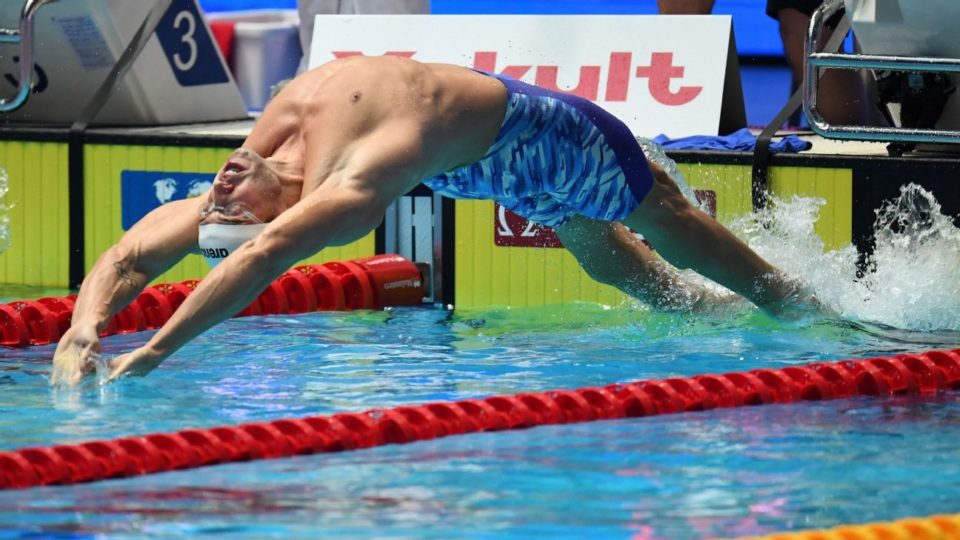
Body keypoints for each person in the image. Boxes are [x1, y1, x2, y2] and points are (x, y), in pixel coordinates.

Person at [51, 55, 814, 387]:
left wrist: (154, 351)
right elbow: (133, 253)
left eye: (220, 203)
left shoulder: (349, 184)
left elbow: (260, 256)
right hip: (473, 162)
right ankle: (718, 317)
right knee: (609, 262)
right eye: (223, 206)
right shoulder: (269, 167)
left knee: (671, 226)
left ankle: (803, 304)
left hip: (554, 137)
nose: (214, 192)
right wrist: (84, 325)